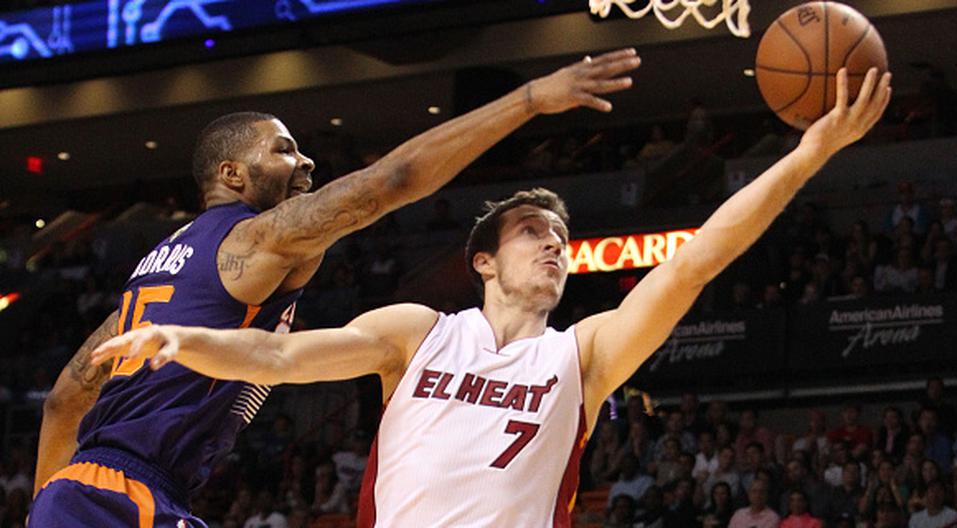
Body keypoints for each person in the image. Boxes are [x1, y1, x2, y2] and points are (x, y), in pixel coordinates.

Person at [93, 67, 892, 526]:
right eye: (532, 231)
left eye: (561, 238)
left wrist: (809, 153)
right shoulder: (416, 333)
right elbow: (279, 354)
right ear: (481, 260)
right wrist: (181, 340)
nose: (554, 243)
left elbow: (694, 266)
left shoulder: (583, 354)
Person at [30, 48, 642, 528]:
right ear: (232, 174)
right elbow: (394, 180)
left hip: (95, 487)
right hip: (128, 492)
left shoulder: (160, 264)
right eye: (285, 151)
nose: (307, 164)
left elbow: (65, 399)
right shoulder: (254, 240)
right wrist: (531, 99)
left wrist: (49, 504)